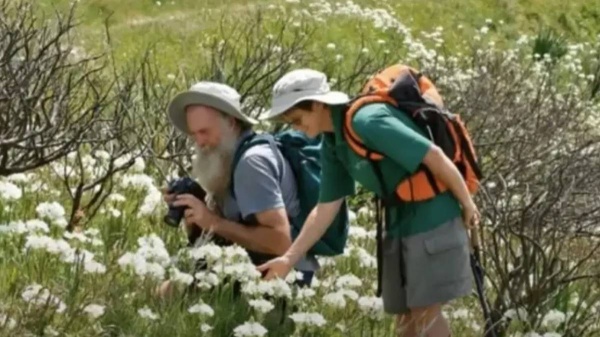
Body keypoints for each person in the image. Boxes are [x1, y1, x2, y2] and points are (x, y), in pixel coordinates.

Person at [256, 69, 481, 337]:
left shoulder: (368, 121)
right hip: (399, 225)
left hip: (433, 218)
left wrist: (467, 205)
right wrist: (289, 259)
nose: (295, 126)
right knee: (405, 322)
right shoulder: (332, 142)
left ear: (317, 104)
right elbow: (326, 206)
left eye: (297, 118)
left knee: (425, 315)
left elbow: (433, 156)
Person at [158, 81, 319, 298]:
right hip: (256, 267)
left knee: (168, 292)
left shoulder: (252, 163)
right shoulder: (230, 157)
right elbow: (230, 231)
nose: (199, 142)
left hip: (284, 279)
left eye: (205, 131)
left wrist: (213, 222)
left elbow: (282, 242)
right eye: (194, 134)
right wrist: (194, 205)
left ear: (232, 123)